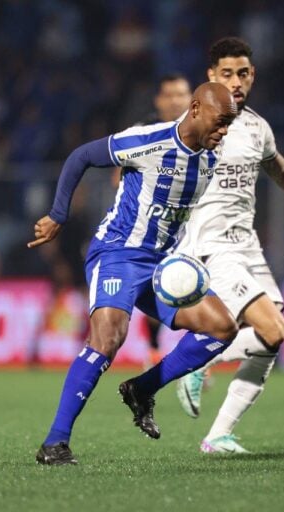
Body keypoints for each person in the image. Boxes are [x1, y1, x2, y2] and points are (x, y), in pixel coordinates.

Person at [30, 82, 240, 465]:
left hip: (163, 267)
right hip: (119, 254)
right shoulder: (147, 141)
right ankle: (55, 443)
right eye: (220, 121)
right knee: (108, 339)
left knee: (223, 328)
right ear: (196, 109)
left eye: (230, 124)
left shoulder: (211, 159)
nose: (224, 131)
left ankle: (142, 389)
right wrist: (58, 215)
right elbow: (80, 156)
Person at [175, 37, 284, 454]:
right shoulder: (195, 123)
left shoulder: (257, 127)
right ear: (210, 77)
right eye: (226, 74)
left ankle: (217, 435)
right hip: (212, 246)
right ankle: (199, 359)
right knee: (273, 330)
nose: (235, 82)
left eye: (242, 74)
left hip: (246, 245)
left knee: (272, 340)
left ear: (252, 76)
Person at [123, 73, 193, 368]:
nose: (177, 100)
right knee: (158, 291)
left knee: (197, 292)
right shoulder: (144, 132)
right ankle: (154, 350)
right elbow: (118, 175)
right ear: (159, 100)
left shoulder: (202, 131)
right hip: (154, 226)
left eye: (182, 94)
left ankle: (194, 360)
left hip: (192, 224)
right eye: (170, 95)